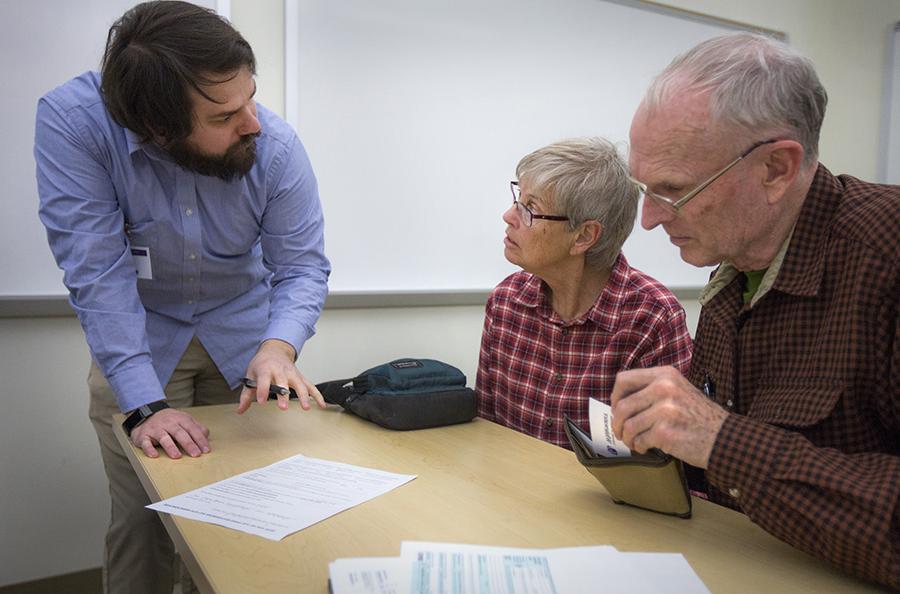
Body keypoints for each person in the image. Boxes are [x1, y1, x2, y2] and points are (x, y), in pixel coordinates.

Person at [34, 2, 330, 592]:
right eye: (225, 115)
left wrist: (279, 349)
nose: (253, 123)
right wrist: (144, 404)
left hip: (245, 347)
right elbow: (97, 271)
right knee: (145, 525)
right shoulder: (74, 123)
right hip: (137, 341)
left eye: (251, 97)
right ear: (160, 130)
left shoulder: (274, 144)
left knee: (247, 521)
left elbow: (300, 267)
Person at [612, 33, 898, 588]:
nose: (647, 220)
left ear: (776, 169)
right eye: (642, 187)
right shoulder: (732, 267)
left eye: (671, 189)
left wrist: (722, 440)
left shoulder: (886, 259)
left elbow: (728, 444)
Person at [476, 138, 692, 448]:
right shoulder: (506, 302)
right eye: (517, 199)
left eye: (531, 208)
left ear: (584, 236)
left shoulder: (652, 318)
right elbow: (487, 431)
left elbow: (664, 464)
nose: (509, 216)